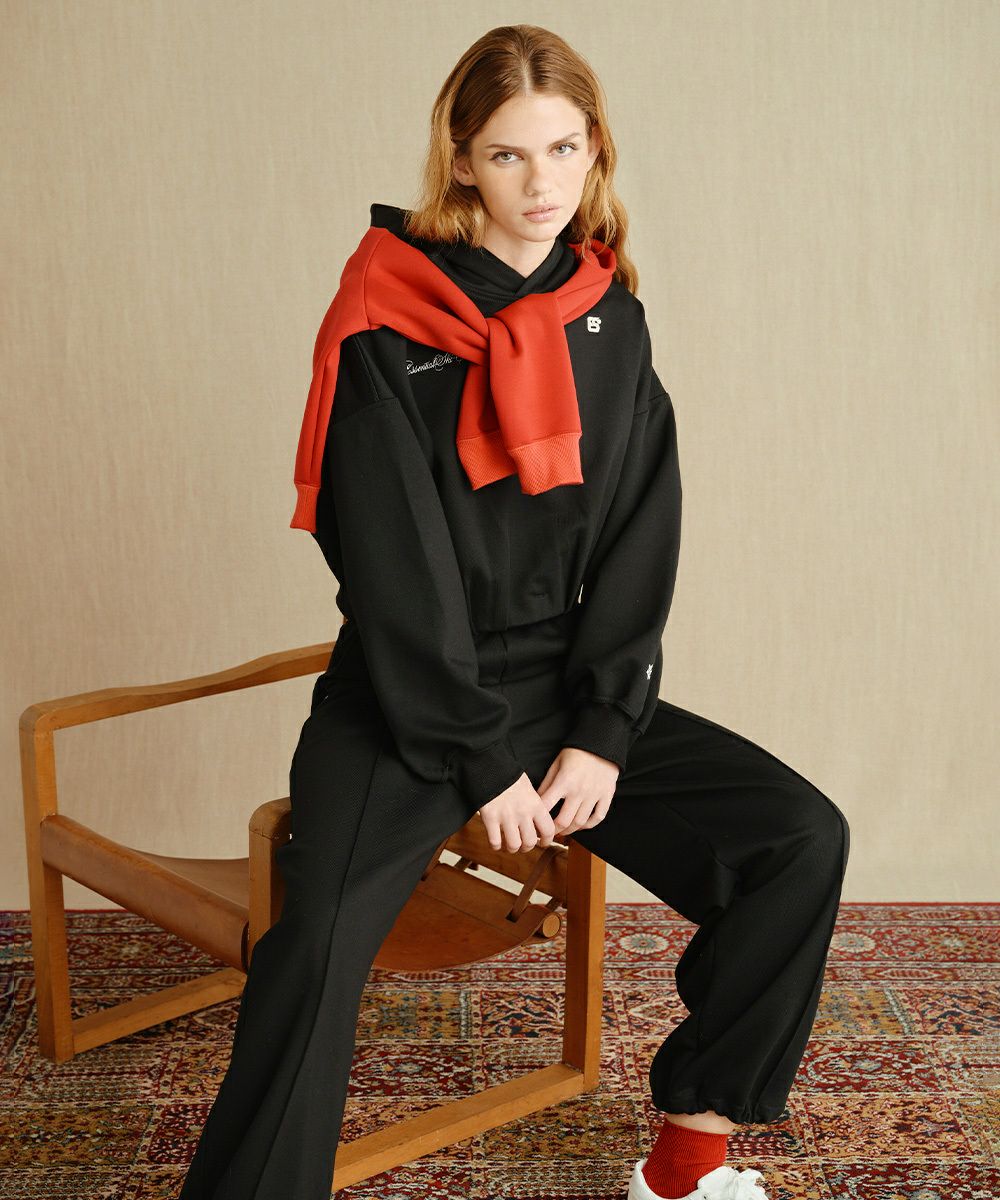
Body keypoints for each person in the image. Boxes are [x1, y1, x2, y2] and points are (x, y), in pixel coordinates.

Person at [178, 23, 850, 1200]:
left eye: (564, 148)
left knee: (797, 841)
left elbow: (641, 531)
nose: (542, 183)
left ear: (596, 151)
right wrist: (479, 759)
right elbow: (389, 565)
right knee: (313, 948)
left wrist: (604, 730)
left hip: (561, 681)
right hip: (406, 696)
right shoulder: (385, 319)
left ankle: (684, 1164)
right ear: (459, 162)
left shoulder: (609, 315)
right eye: (507, 154)